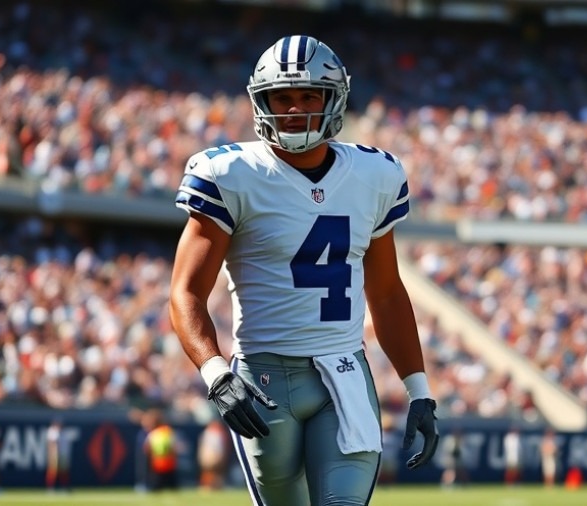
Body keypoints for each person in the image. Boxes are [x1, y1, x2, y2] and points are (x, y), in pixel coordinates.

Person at [169, 34, 440, 506]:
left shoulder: (374, 176)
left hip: (345, 375)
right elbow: (185, 292)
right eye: (282, 97)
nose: (294, 109)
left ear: (333, 99)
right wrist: (214, 372)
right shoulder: (231, 174)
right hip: (262, 380)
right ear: (262, 102)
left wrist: (419, 389)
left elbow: (388, 293)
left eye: (308, 95)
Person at [143, 410, 179, 492]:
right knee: (172, 488)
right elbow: (174, 448)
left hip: (158, 465)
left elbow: (147, 449)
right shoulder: (168, 431)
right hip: (168, 464)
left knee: (157, 488)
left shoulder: (153, 434)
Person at [197, 419, 229, 491]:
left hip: (214, 456)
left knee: (216, 473)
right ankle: (207, 486)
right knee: (208, 472)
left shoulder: (218, 433)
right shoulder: (210, 433)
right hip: (211, 456)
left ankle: (216, 486)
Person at [45, 418, 72, 493]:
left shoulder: (64, 432)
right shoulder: (52, 432)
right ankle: (50, 488)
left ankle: (64, 488)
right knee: (53, 471)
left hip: (63, 455)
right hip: (55, 455)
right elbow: (52, 444)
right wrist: (53, 454)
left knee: (64, 472)